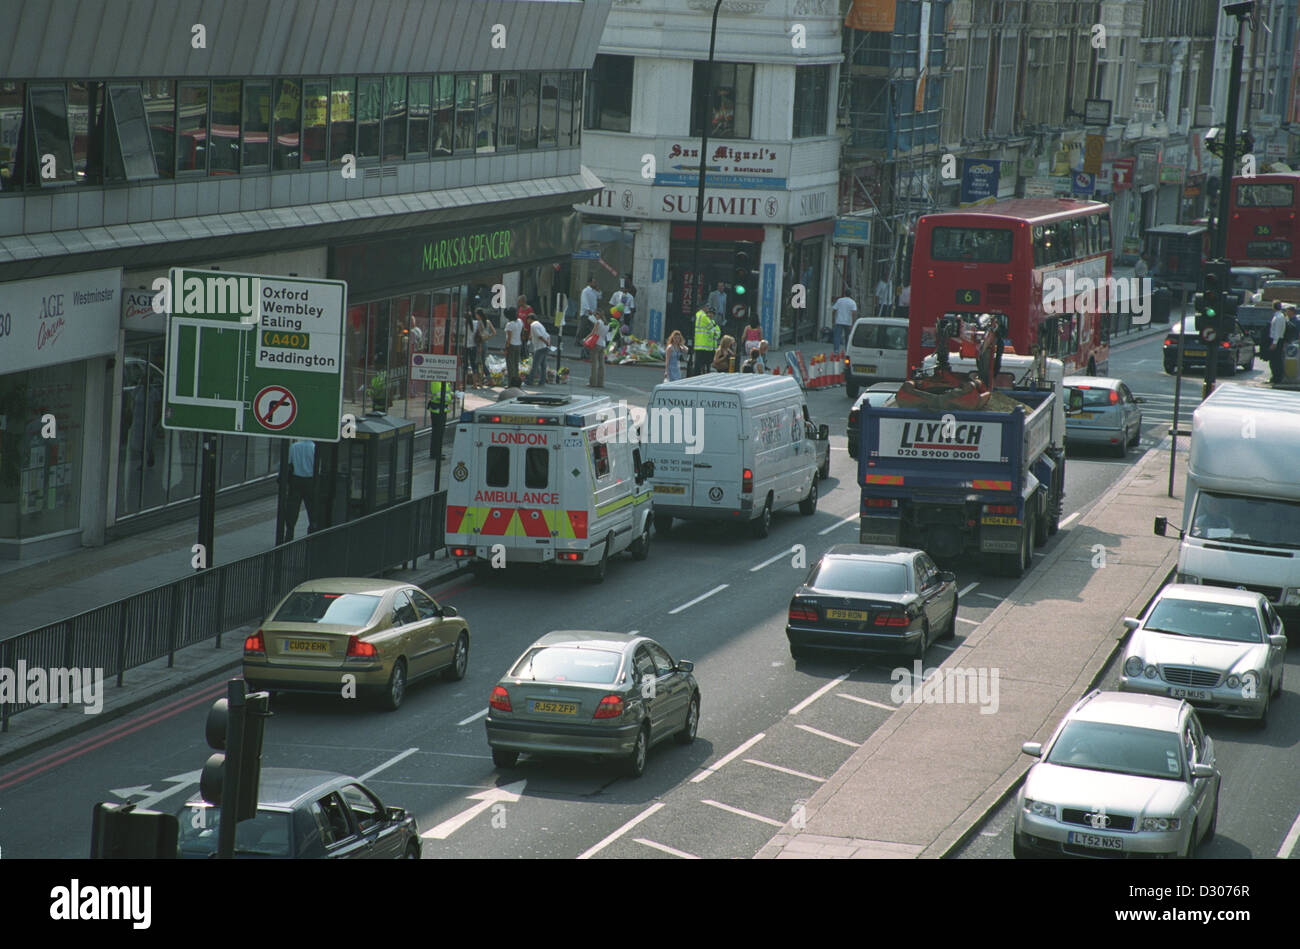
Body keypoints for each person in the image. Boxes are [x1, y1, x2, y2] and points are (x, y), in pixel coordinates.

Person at [285, 438, 316, 541]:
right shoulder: (314, 448)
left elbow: (289, 462)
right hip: (310, 481)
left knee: (292, 507)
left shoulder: (294, 446)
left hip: (296, 480)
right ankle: (312, 531)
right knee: (312, 508)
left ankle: (289, 533)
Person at [692, 307, 719, 376]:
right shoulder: (703, 319)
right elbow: (713, 332)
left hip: (710, 348)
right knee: (699, 365)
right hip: (701, 346)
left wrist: (713, 333)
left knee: (707, 366)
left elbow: (717, 335)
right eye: (709, 313)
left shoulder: (714, 324)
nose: (710, 315)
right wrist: (713, 332)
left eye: (712, 314)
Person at [579, 277, 601, 357]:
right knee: (583, 328)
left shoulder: (594, 292)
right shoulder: (585, 291)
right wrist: (589, 310)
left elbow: (599, 297)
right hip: (586, 313)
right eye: (593, 282)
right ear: (589, 283)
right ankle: (580, 341)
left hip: (593, 314)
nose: (595, 284)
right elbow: (584, 301)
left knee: (592, 329)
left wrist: (598, 290)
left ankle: (588, 342)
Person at [527, 316, 552, 385]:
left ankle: (529, 381)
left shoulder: (533, 325)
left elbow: (539, 336)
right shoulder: (540, 324)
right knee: (543, 365)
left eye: (527, 320)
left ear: (530, 319)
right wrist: (548, 343)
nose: (527, 322)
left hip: (540, 347)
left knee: (535, 365)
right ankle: (542, 381)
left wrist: (546, 342)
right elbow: (548, 335)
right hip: (545, 347)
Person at [588, 311, 609, 388]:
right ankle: (601, 383)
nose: (595, 316)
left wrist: (586, 339)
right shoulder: (607, 324)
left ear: (598, 315)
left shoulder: (598, 322)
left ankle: (593, 382)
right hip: (603, 344)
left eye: (595, 315)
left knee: (594, 364)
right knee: (601, 364)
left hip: (596, 343)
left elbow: (593, 333)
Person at [1268, 300, 1288, 383]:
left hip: (1277, 340)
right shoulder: (1278, 316)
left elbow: (1277, 331)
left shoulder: (1279, 317)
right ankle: (1275, 376)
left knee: (1275, 360)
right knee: (1274, 359)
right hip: (1277, 340)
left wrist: (1274, 342)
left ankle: (1277, 377)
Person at [504, 310, 524, 387]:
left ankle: (511, 384)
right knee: (516, 365)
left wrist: (506, 348)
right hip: (518, 344)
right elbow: (522, 332)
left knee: (510, 366)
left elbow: (509, 338)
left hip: (511, 345)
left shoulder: (509, 324)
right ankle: (517, 384)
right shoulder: (520, 321)